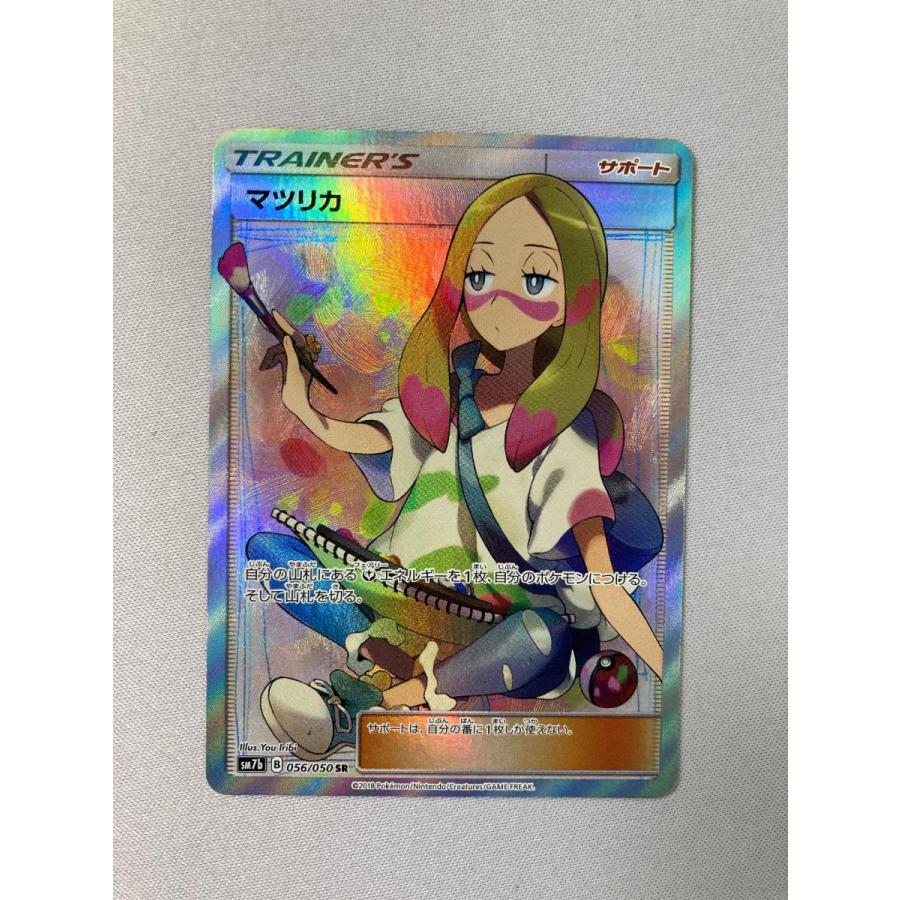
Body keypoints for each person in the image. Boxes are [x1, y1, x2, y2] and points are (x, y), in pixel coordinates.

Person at [248, 173, 664, 760]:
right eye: (480, 275)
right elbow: (379, 439)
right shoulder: (452, 384)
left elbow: (602, 579)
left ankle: (372, 702)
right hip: (394, 590)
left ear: (570, 304)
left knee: (543, 636)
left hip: (488, 621)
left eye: (535, 280)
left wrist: (672, 674)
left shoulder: (568, 436)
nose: (498, 299)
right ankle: (375, 659)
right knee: (269, 553)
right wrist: (305, 408)